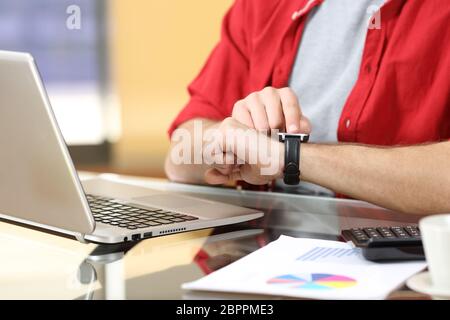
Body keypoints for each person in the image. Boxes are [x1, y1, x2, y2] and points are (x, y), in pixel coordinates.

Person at [165, 0, 450, 215]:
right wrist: (221, 144)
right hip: (260, 263)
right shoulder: (260, 6)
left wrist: (286, 156)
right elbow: (177, 156)